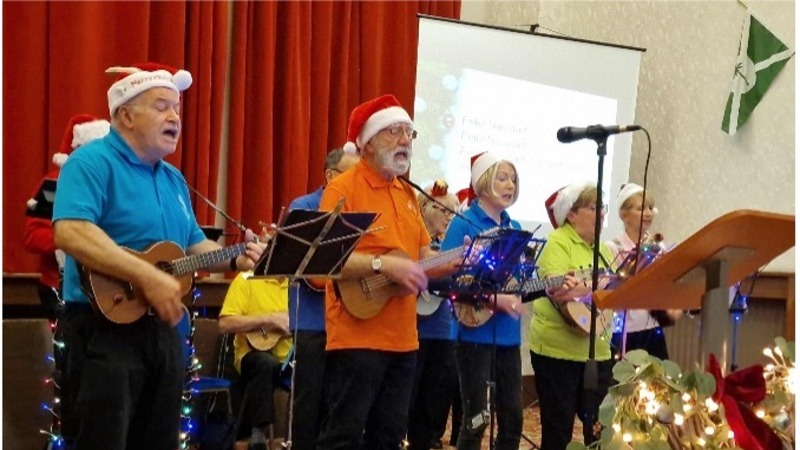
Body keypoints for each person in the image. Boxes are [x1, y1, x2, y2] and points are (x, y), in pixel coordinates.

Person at [52, 62, 266, 450]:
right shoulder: (91, 163)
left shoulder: (173, 179)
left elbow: (194, 247)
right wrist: (146, 275)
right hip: (102, 329)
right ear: (126, 115)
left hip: (161, 333)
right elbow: (71, 230)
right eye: (162, 106)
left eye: (177, 109)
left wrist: (237, 257)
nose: (175, 117)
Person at [316, 94, 458, 450]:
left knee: (390, 437)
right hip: (356, 336)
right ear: (366, 143)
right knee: (343, 437)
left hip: (405, 339)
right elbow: (323, 261)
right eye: (394, 131)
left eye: (409, 133)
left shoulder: (408, 194)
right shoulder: (343, 188)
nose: (405, 140)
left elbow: (424, 255)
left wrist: (457, 261)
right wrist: (382, 263)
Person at [440, 152, 524, 450]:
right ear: (483, 182)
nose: (509, 184)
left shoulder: (514, 227)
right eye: (502, 178)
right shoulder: (463, 223)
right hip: (473, 334)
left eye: (512, 178)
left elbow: (518, 283)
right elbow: (447, 281)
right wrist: (491, 298)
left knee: (513, 418)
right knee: (477, 418)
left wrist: (547, 288)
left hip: (508, 336)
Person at [528, 182, 615, 450]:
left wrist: (585, 288)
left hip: (597, 351)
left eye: (602, 208)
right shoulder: (557, 242)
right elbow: (558, 291)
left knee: (600, 428)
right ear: (571, 213)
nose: (600, 214)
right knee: (558, 430)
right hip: (557, 352)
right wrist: (594, 288)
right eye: (593, 208)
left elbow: (611, 289)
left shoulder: (605, 249)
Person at [286, 148, 359, 450]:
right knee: (309, 402)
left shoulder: (358, 210)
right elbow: (294, 260)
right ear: (331, 176)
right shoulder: (303, 207)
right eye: (351, 174)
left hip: (350, 320)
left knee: (341, 403)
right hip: (312, 321)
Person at [24, 115, 110, 321]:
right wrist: (74, 240)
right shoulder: (54, 184)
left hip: (106, 290)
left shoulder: (115, 182)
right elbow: (32, 236)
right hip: (59, 287)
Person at [408, 181, 460, 450]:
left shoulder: (446, 246)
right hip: (413, 329)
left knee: (434, 395)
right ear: (425, 207)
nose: (449, 217)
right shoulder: (413, 240)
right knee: (410, 393)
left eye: (453, 212)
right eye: (443, 210)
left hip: (442, 329)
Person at [218, 271, 293, 450]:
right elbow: (224, 324)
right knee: (265, 364)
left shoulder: (298, 284)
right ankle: (258, 435)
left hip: (290, 356)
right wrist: (269, 319)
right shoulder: (246, 278)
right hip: (250, 355)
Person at [606, 183, 680, 360]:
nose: (648, 213)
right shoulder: (612, 247)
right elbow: (611, 288)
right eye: (640, 208)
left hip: (653, 327)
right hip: (625, 331)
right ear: (625, 215)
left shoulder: (658, 246)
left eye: (650, 208)